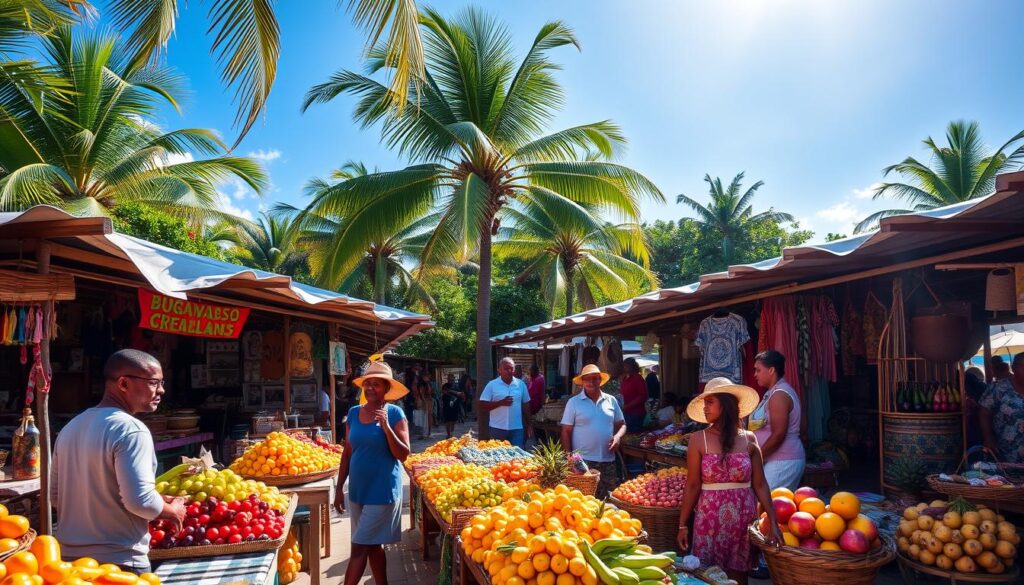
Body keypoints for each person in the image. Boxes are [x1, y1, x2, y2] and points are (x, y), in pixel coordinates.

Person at [52, 350, 187, 573]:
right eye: (154, 382)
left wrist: (159, 499)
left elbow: (57, 496)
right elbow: (139, 502)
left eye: (161, 382)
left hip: (69, 563)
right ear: (123, 383)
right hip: (119, 563)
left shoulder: (71, 427)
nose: (161, 390)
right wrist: (172, 512)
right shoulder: (131, 430)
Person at [676, 378, 781, 585]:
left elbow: (760, 484)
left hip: (743, 519)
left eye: (710, 402)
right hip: (709, 519)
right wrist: (682, 525)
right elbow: (693, 485)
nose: (705, 408)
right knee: (708, 575)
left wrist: (774, 522)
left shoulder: (749, 439)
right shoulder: (699, 439)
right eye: (704, 403)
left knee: (739, 577)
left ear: (725, 404)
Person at [334, 361, 411, 585]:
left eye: (375, 384)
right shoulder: (354, 412)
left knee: (358, 548)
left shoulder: (395, 413)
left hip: (383, 492)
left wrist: (386, 427)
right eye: (367, 384)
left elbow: (403, 454)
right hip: (358, 492)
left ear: (386, 388)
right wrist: (339, 488)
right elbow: (347, 453)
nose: (369, 388)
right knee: (372, 545)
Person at [560, 364, 626, 497]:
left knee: (609, 499)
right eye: (587, 379)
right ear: (582, 382)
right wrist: (569, 458)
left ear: (600, 381)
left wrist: (618, 437)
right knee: (585, 500)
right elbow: (565, 431)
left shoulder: (611, 400)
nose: (591, 382)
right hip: (583, 461)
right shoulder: (574, 402)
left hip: (608, 460)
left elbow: (622, 424)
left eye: (595, 378)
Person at [749, 350, 805, 491]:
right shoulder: (772, 393)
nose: (755, 374)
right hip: (775, 459)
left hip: (783, 460)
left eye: (758, 370)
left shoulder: (779, 395)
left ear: (771, 370)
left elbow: (779, 434)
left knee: (764, 504)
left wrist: (757, 458)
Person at [979, 353, 1024, 463]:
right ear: (1013, 368)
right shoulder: (998, 388)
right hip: (1007, 454)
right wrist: (988, 437)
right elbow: (983, 413)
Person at [479, 357, 532, 448]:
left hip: (517, 429)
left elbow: (526, 406)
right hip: (497, 428)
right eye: (506, 368)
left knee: (518, 458)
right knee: (499, 458)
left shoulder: (521, 385)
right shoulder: (492, 385)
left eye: (511, 368)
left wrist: (529, 424)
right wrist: (500, 403)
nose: (509, 371)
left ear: (514, 370)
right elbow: (482, 406)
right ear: (499, 370)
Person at [619, 358, 648, 433]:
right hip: (626, 412)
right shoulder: (625, 378)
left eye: (625, 365)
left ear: (631, 366)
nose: (623, 367)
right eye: (623, 365)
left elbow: (643, 396)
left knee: (634, 435)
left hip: (636, 413)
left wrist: (628, 405)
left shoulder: (638, 378)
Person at [441, 374, 464, 438]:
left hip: (455, 405)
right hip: (447, 404)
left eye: (452, 379)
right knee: (447, 420)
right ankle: (448, 434)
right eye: (450, 379)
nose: (451, 380)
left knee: (453, 420)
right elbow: (444, 391)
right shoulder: (445, 385)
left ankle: (451, 433)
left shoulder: (457, 386)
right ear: (448, 379)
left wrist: (459, 394)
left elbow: (461, 394)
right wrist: (456, 393)